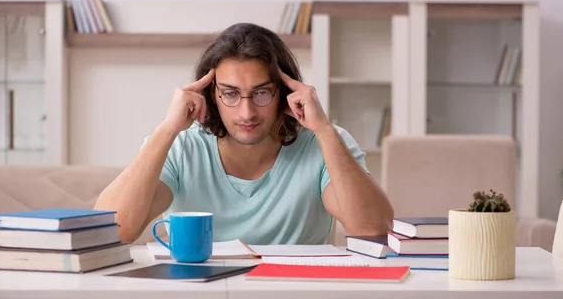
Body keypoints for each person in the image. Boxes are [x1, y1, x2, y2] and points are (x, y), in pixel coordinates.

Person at [94, 23, 394, 245]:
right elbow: (111, 231)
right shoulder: (181, 145)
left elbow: (373, 231)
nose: (247, 112)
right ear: (211, 94)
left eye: (262, 92)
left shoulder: (324, 142)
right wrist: (167, 129)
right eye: (231, 94)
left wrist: (325, 130)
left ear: (285, 92)